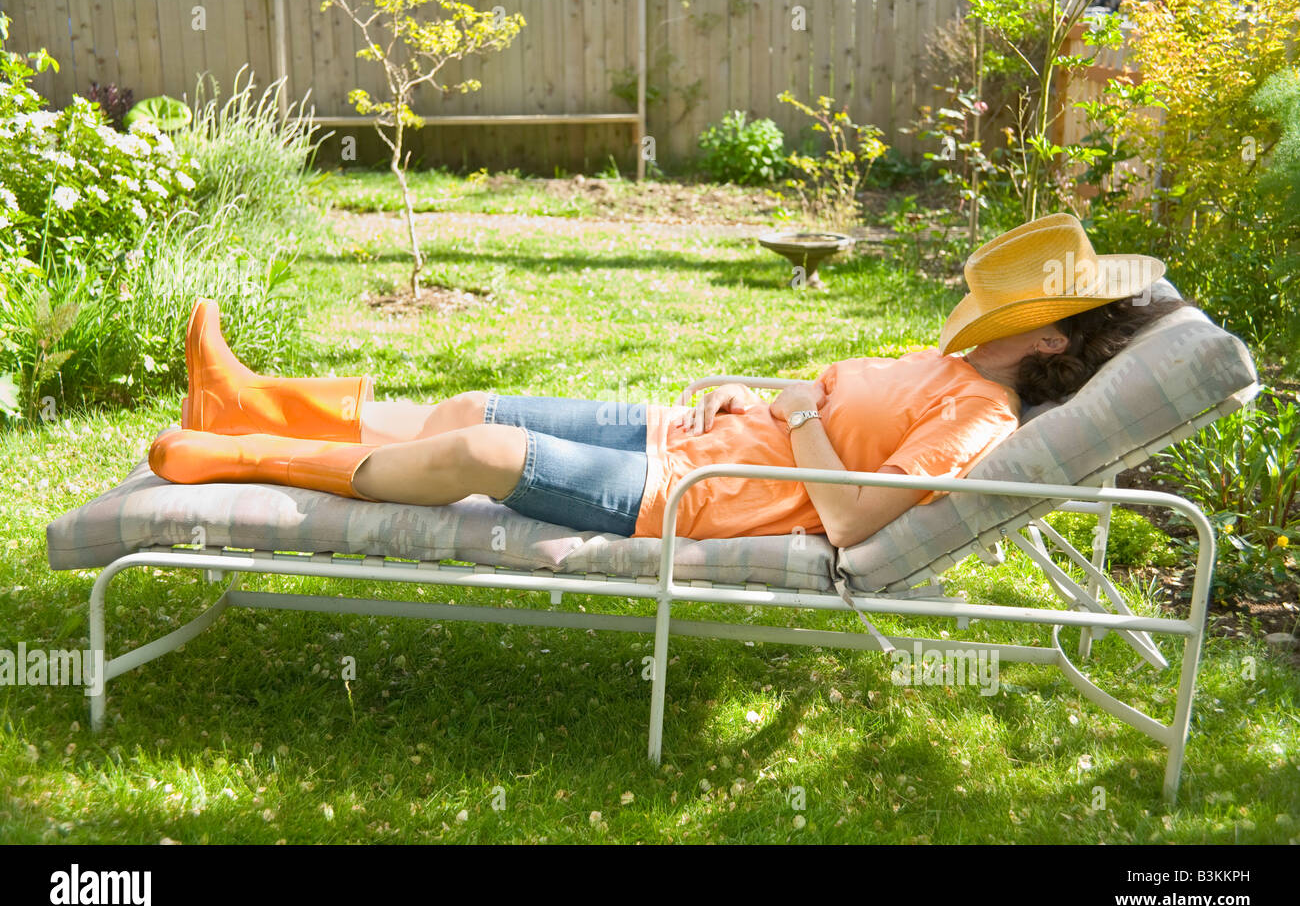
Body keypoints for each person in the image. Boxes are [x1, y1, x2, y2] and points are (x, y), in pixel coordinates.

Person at [149, 213, 1183, 547]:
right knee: (467, 404)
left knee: (475, 451)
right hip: (698, 433)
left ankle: (233, 453)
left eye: (1030, 307)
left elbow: (860, 518)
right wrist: (756, 392)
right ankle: (243, 396)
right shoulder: (949, 359)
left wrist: (788, 417)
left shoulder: (981, 414)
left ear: (1050, 342)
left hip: (698, 496)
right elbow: (820, 400)